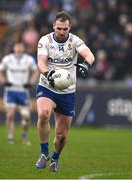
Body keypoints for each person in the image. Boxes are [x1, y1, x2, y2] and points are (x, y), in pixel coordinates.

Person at [35, 11, 95, 172]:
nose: (62, 32)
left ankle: (55, 158)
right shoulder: (45, 40)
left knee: (61, 136)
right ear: (54, 26)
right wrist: (48, 74)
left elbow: (89, 54)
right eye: (59, 28)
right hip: (47, 85)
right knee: (43, 114)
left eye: (65, 29)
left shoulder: (75, 40)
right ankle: (43, 153)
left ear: (70, 28)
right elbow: (41, 63)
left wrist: (86, 64)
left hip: (67, 91)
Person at [0, 42, 39, 145]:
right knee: (10, 114)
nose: (18, 51)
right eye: (17, 50)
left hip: (23, 91)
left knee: (26, 117)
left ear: (23, 50)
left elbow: (36, 71)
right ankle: (10, 136)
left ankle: (24, 134)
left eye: (20, 50)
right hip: (11, 91)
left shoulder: (29, 60)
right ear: (14, 49)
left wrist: (31, 82)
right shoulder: (8, 59)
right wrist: (4, 81)